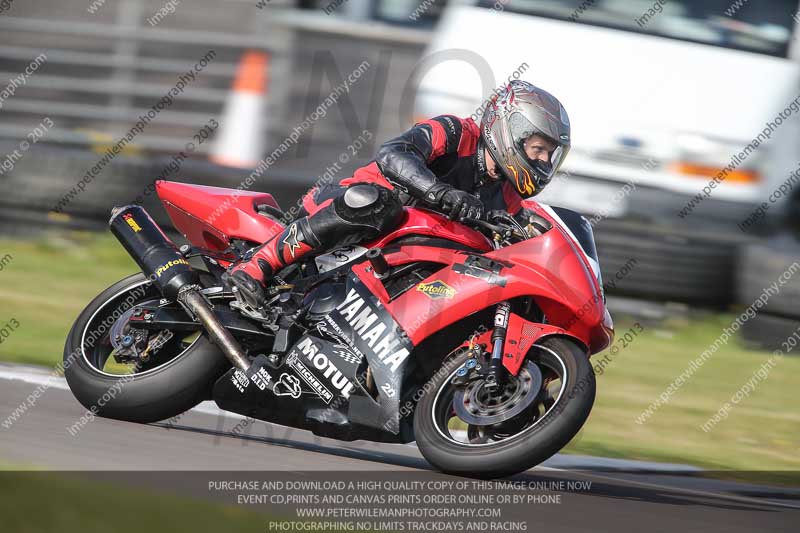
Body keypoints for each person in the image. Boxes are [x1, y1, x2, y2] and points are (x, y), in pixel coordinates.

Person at [228, 80, 571, 309]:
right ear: (510, 131)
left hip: (396, 257)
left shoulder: (508, 197)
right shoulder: (455, 132)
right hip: (347, 209)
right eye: (538, 148)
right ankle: (258, 265)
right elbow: (393, 153)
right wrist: (439, 192)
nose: (542, 160)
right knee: (381, 204)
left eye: (548, 154)